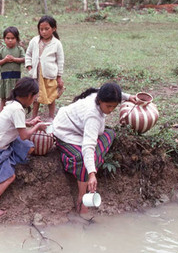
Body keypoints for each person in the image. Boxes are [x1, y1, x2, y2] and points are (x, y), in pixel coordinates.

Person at [52, 82, 138, 213]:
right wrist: (92, 174)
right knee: (82, 157)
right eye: (108, 106)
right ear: (99, 100)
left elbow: (102, 90)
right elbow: (88, 147)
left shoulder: (98, 94)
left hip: (80, 130)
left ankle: (90, 164)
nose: (110, 110)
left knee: (109, 134)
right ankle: (82, 197)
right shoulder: (93, 115)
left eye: (114, 107)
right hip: (65, 132)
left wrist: (128, 96)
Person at [0, 77, 48, 217]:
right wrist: (36, 127)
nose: (34, 99)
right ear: (28, 95)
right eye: (34, 96)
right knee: (10, 176)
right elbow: (23, 136)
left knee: (29, 148)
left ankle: (11, 157)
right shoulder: (17, 110)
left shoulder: (12, 104)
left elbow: (16, 124)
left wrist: (29, 122)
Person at [25, 15, 64, 120]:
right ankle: (34, 117)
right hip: (36, 75)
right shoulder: (34, 41)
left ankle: (51, 117)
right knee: (36, 97)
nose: (44, 32)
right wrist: (29, 67)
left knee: (51, 96)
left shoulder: (57, 44)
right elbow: (28, 54)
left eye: (47, 29)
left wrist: (59, 77)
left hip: (50, 75)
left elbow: (60, 61)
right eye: (41, 29)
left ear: (54, 28)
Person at [0, 26, 25, 111]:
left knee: (15, 97)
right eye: (7, 38)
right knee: (4, 97)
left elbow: (24, 59)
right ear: (4, 39)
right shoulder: (2, 50)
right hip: (5, 78)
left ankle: (16, 111)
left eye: (13, 38)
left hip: (16, 78)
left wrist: (14, 59)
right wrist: (4, 60)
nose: (10, 40)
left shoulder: (19, 49)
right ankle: (2, 112)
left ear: (17, 39)